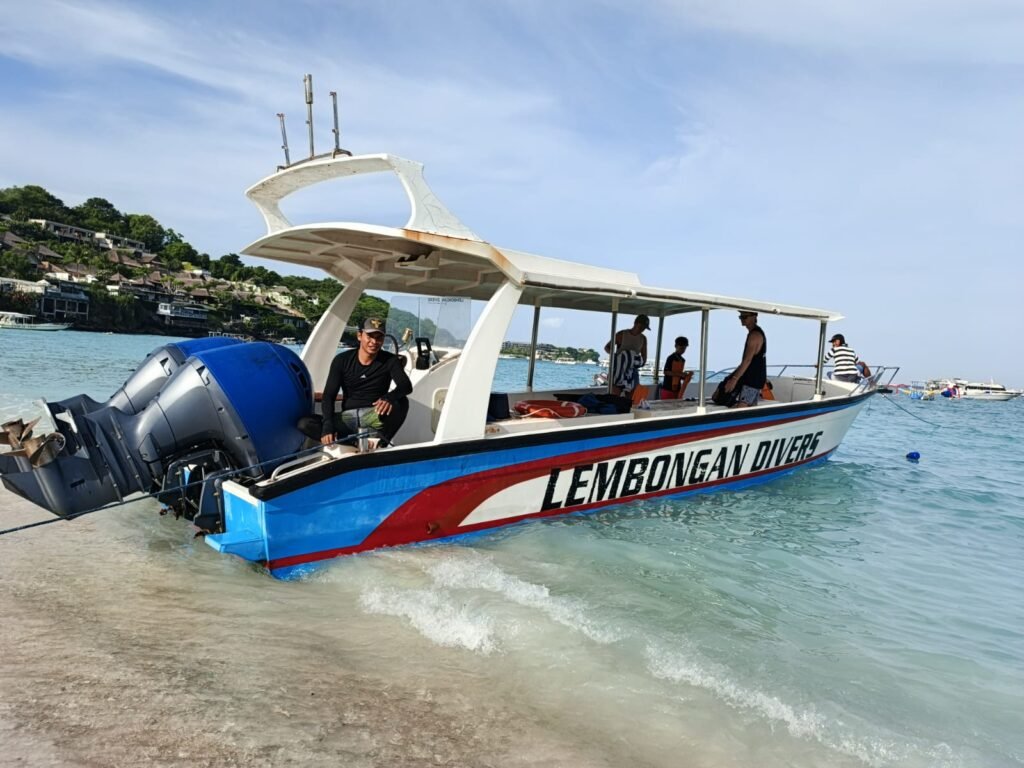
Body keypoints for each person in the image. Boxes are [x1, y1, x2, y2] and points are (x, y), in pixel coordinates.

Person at [319, 316, 412, 446]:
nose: (374, 342)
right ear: (359, 336)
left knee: (402, 402)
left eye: (379, 338)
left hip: (374, 415)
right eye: (369, 336)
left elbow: (405, 386)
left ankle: (380, 444)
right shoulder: (342, 360)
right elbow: (329, 396)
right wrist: (327, 425)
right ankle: (355, 443)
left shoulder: (390, 360)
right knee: (306, 423)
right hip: (347, 417)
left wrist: (388, 398)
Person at [723, 311, 767, 408]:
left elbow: (747, 360)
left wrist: (734, 379)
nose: (742, 319)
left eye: (745, 316)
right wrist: (732, 376)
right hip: (754, 379)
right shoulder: (754, 333)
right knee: (750, 407)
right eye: (741, 317)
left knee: (742, 407)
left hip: (752, 380)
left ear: (754, 317)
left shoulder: (754, 336)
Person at [604, 314, 649, 396]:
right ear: (635, 323)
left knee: (632, 396)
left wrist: (637, 362)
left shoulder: (643, 339)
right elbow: (607, 347)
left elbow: (644, 358)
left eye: (644, 328)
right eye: (640, 327)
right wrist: (616, 357)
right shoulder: (621, 334)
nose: (642, 330)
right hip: (619, 368)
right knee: (615, 395)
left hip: (633, 369)